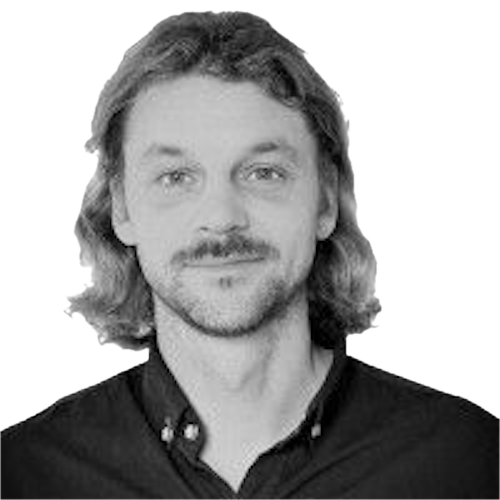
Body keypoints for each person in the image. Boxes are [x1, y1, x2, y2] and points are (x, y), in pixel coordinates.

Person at [1, 10, 498, 499]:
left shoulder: (471, 461)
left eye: (264, 172)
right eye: (176, 177)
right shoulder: (22, 474)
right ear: (123, 210)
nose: (221, 217)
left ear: (326, 200)